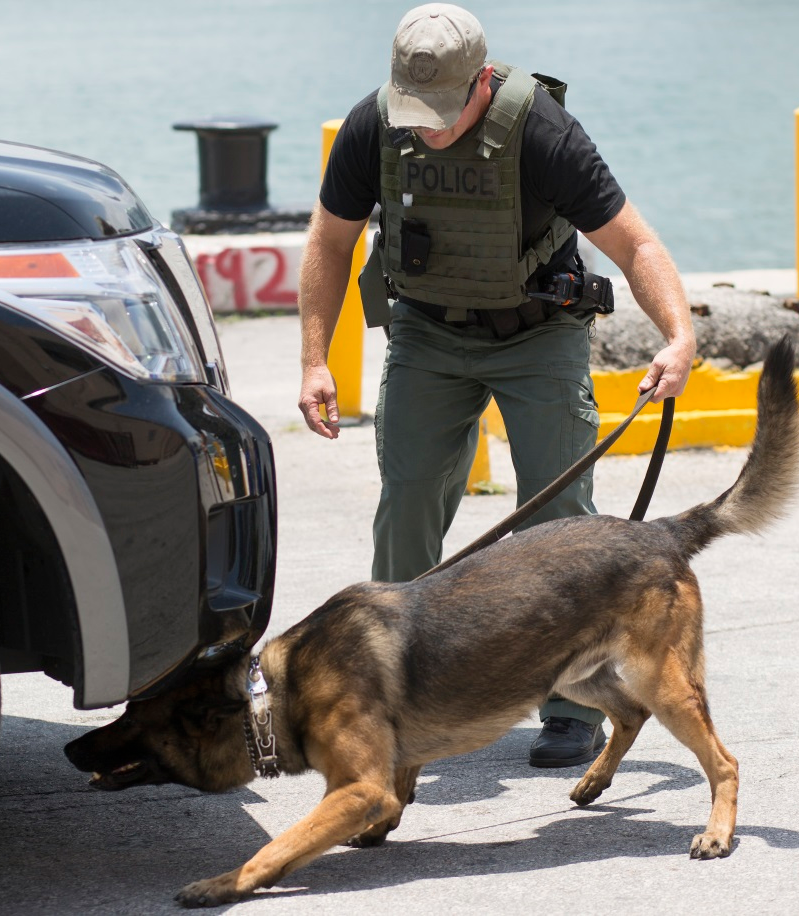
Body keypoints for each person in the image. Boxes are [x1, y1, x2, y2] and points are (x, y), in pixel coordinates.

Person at [297, 3, 696, 768]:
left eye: (443, 110)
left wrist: (677, 335)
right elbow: (331, 240)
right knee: (408, 503)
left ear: (482, 81)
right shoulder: (373, 126)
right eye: (416, 110)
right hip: (427, 331)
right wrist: (315, 359)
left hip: (537, 332)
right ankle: (393, 692)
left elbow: (634, 245)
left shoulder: (543, 134)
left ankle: (572, 704)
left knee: (554, 518)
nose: (427, 127)